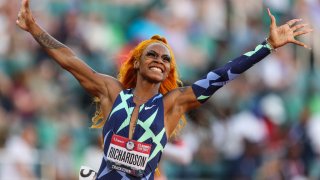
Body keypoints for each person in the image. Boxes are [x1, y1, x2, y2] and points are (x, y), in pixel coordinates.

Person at [16, 0, 313, 179]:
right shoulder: (112, 93)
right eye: (153, 55)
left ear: (169, 70)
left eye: (166, 59)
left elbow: (221, 76)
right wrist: (34, 28)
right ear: (137, 62)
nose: (159, 60)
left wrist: (268, 46)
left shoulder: (172, 105)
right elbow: (70, 61)